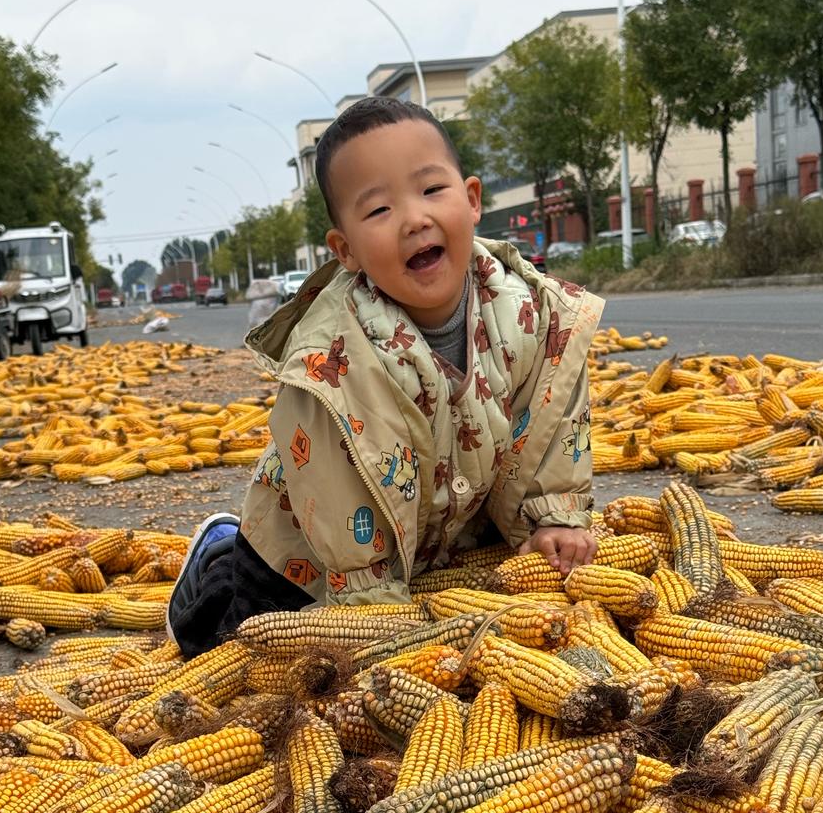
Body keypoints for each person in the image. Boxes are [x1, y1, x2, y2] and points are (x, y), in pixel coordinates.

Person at [167, 96, 602, 656]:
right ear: (345, 250)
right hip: (313, 544)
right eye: (378, 211)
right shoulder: (329, 367)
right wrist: (376, 614)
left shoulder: (535, 315)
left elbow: (549, 416)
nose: (414, 219)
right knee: (234, 642)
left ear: (471, 201)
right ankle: (217, 555)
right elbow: (337, 499)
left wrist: (553, 516)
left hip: (441, 522)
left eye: (431, 190)